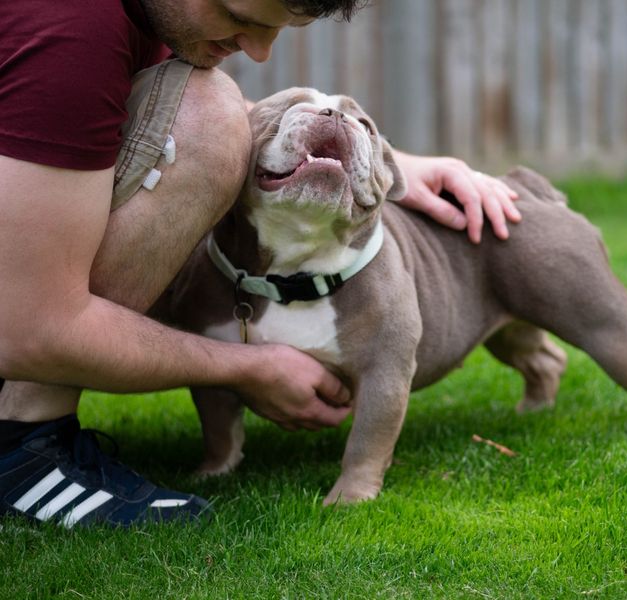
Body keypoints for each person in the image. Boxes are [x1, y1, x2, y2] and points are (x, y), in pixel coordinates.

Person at [0, 0, 520, 527]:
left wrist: (386, 159)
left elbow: (261, 117)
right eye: (239, 16)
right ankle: (21, 445)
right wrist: (248, 366)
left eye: (278, 29)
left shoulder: (144, 18)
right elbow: (26, 331)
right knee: (208, 112)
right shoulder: (70, 28)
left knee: (214, 103)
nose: (259, 50)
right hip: (22, 330)